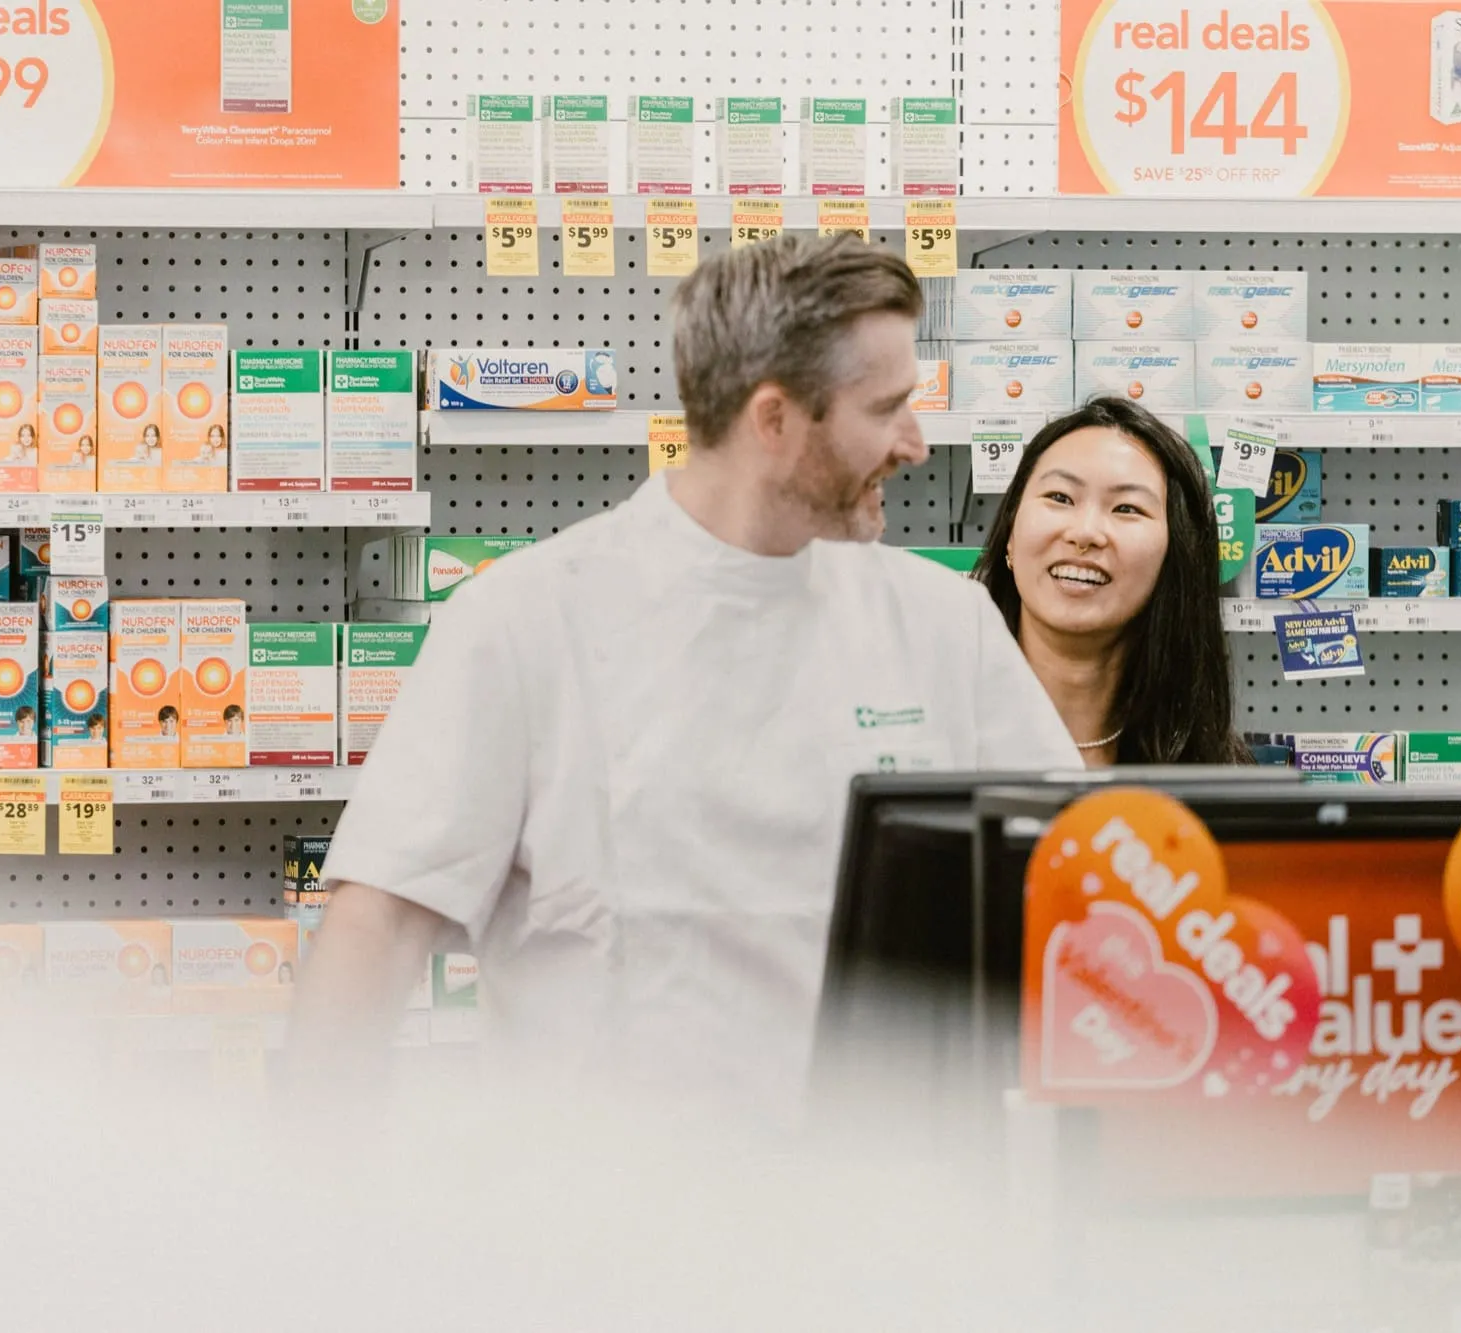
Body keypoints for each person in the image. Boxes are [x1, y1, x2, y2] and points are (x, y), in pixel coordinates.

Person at [300, 233, 1078, 1112]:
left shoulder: (946, 626)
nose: (915, 441)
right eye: (887, 406)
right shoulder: (527, 618)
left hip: (875, 1198)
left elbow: (1073, 885)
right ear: (775, 420)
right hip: (606, 1206)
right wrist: (323, 1186)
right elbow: (379, 926)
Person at [973, 396, 1247, 766]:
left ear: (1175, 555)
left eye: (1127, 509)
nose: (1084, 533)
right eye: (1059, 497)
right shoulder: (931, 743)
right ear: (1010, 533)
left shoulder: (1212, 772)